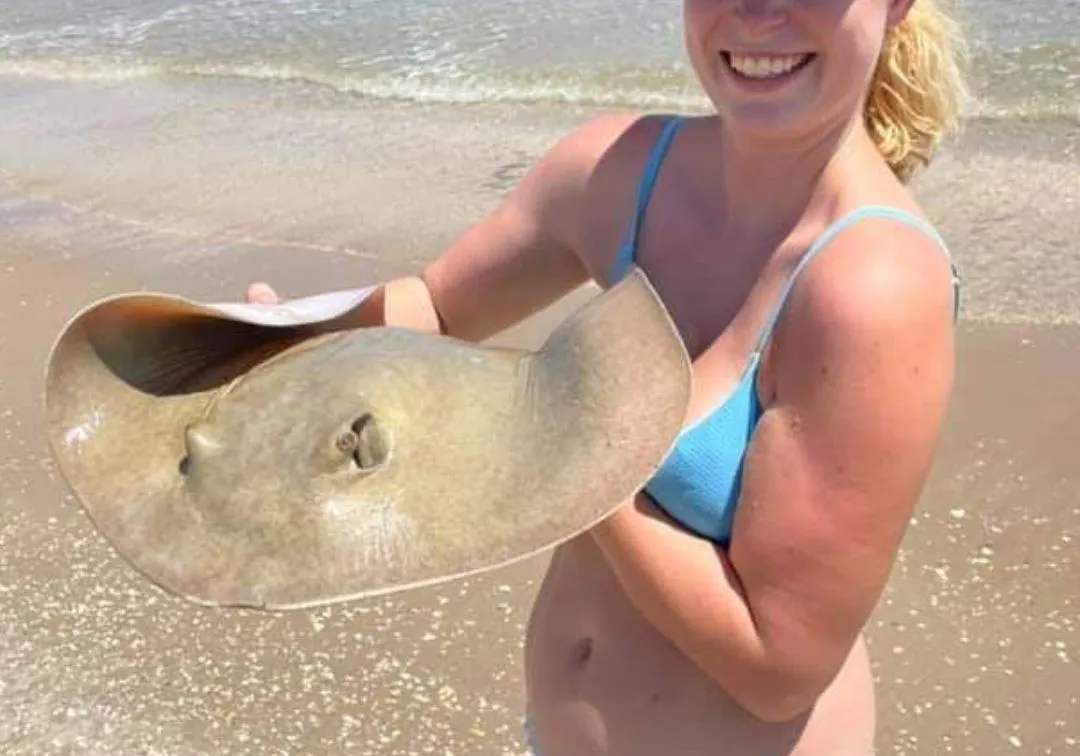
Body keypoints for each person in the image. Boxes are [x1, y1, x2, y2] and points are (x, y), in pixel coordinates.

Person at [247, 0, 969, 752]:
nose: (759, 11)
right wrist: (272, 340)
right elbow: (434, 305)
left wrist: (559, 443)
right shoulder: (622, 169)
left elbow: (776, 668)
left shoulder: (873, 287)